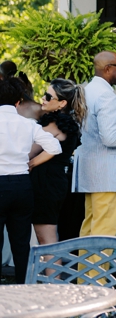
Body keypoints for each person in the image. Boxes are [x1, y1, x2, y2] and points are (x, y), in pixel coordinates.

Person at [0, 78, 61, 282]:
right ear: (18, 102)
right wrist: (32, 163)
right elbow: (55, 148)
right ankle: (23, 290)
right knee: (21, 243)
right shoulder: (28, 124)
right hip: (22, 186)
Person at [75, 51, 116, 237]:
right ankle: (98, 268)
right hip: (107, 174)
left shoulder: (87, 90)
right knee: (104, 232)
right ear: (107, 69)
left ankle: (85, 268)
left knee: (89, 227)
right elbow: (111, 138)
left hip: (90, 170)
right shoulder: (106, 95)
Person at [30, 79, 86, 246]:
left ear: (62, 103)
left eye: (48, 96)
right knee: (47, 236)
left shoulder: (54, 125)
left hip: (46, 183)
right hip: (55, 181)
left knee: (46, 237)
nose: (43, 99)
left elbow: (29, 152)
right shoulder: (68, 124)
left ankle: (53, 273)